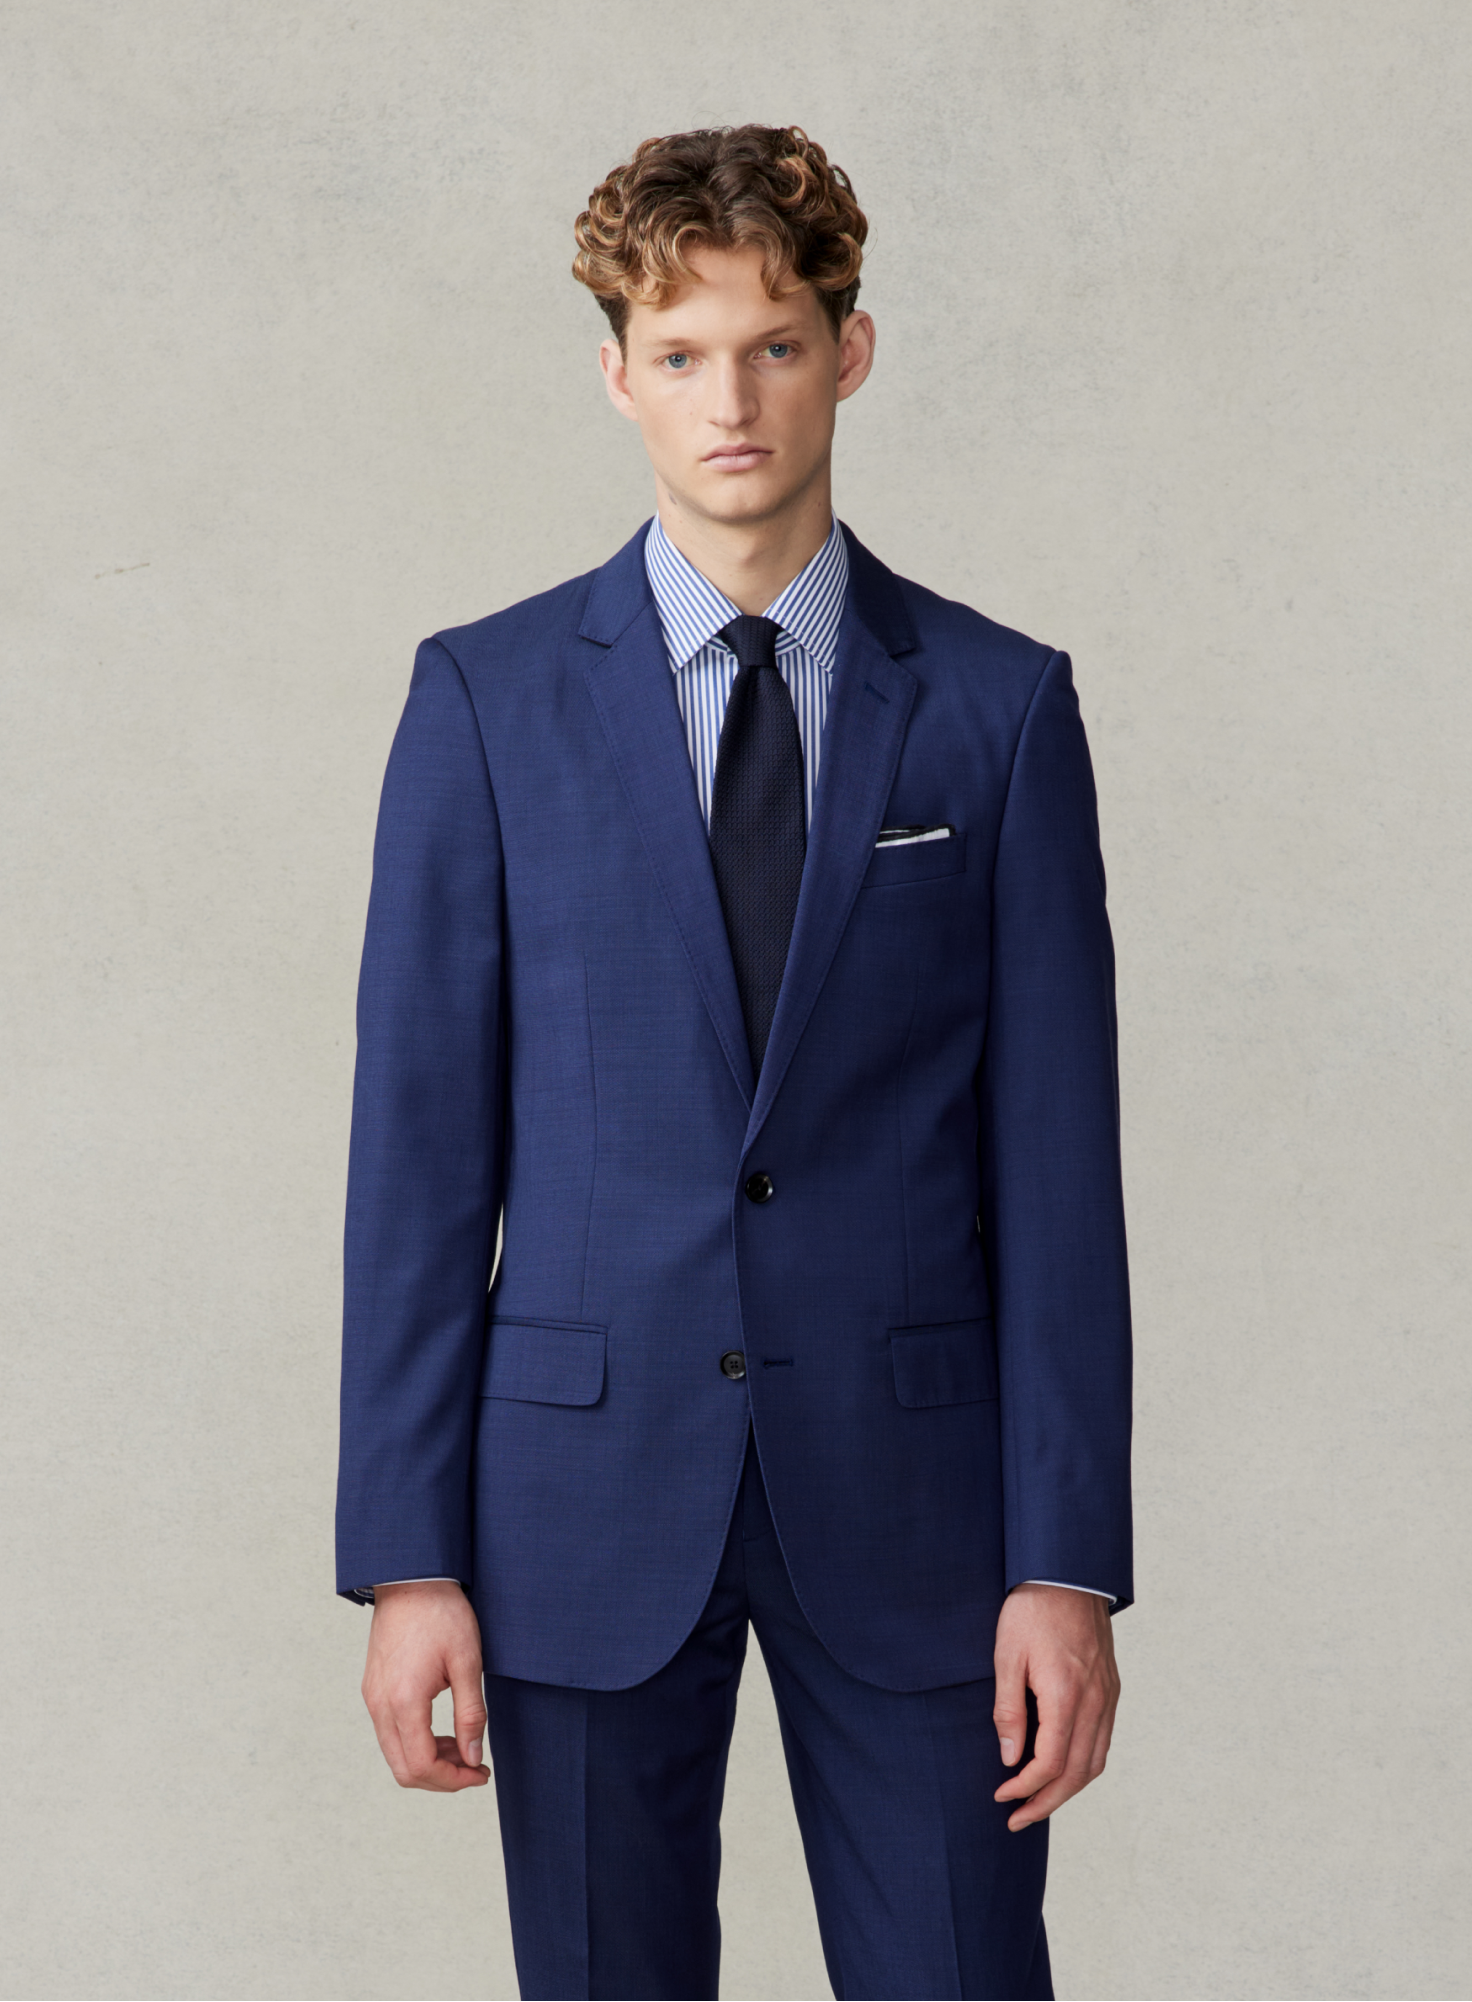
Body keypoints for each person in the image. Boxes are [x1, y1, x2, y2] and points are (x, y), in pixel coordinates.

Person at [336, 123, 1132, 2002]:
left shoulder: (1003, 710)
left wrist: (1069, 1562)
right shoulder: (488, 699)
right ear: (615, 372)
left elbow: (1057, 1164)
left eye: (774, 344)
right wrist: (404, 1554)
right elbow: (421, 1154)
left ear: (850, 352)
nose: (732, 400)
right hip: (578, 1499)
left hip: (925, 1506)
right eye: (680, 352)